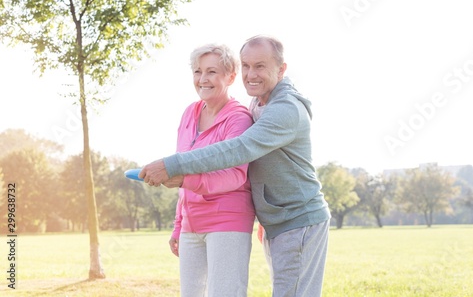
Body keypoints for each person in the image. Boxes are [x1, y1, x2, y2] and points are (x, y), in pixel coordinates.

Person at [140, 35, 331, 297]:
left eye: (260, 66)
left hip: (298, 219)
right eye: (247, 66)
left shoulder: (284, 109)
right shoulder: (260, 102)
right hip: (278, 219)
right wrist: (264, 210)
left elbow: (239, 150)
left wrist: (173, 166)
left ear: (281, 69)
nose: (251, 74)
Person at [164, 43, 255, 297]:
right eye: (197, 71)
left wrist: (183, 178)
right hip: (191, 224)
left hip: (227, 220)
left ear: (230, 76)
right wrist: (178, 224)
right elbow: (184, 167)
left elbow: (235, 175)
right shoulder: (189, 114)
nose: (203, 79)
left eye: (212, 72)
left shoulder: (239, 118)